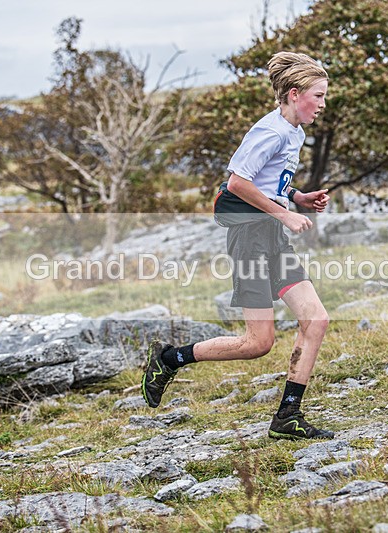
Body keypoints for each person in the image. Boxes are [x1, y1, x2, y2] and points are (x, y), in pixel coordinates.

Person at [142, 51, 333, 440]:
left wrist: (297, 198)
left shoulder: (294, 132)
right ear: (295, 94)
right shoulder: (270, 131)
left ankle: (286, 418)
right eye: (318, 95)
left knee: (316, 320)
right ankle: (169, 359)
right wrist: (284, 214)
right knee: (257, 343)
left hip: (272, 235)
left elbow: (267, 183)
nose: (323, 104)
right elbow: (237, 184)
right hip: (249, 237)